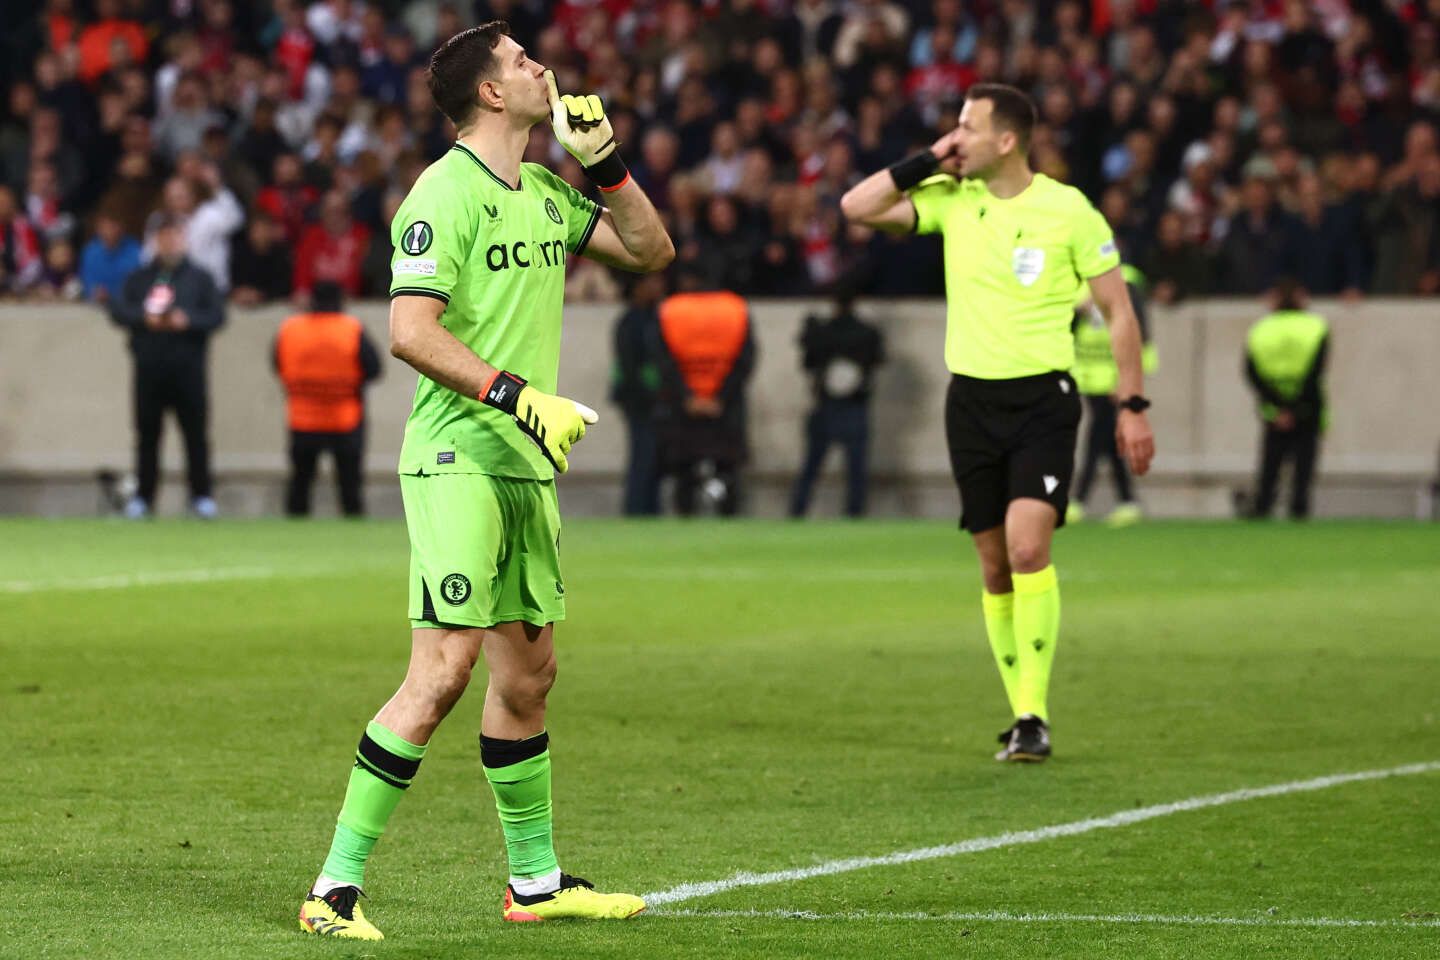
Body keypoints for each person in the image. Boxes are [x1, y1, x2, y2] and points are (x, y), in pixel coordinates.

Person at [298, 22, 673, 941]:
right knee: (443, 671)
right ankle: (332, 891)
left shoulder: (546, 191)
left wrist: (611, 168)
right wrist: (516, 395)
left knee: (530, 676)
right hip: (457, 457)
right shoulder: (441, 192)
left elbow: (651, 252)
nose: (544, 68)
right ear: (492, 95)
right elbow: (409, 331)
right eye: (522, 62)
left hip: (524, 465)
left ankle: (535, 886)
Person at [841, 83, 1155, 763]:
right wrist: (929, 158)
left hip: (1044, 399)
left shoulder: (1069, 212)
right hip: (972, 403)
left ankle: (1035, 712)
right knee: (992, 563)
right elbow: (856, 207)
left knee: (1025, 549)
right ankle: (1020, 714)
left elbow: (1119, 312)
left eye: (968, 127)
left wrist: (1131, 405)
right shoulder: (955, 201)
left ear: (1006, 140)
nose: (956, 136)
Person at [108, 214, 225, 519]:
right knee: (147, 435)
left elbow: (216, 315)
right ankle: (144, 497)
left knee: (195, 435)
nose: (170, 241)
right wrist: (144, 319)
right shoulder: (141, 277)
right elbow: (119, 309)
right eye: (164, 236)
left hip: (188, 368)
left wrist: (188, 320)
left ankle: (201, 495)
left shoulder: (200, 278)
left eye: (175, 235)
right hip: (149, 368)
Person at [273, 281, 383, 517]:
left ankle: (294, 528)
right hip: (345, 417)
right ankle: (354, 529)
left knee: (300, 482)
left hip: (302, 417)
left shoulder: (291, 328)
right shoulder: (351, 329)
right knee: (350, 485)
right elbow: (374, 368)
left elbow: (277, 362)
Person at [654, 274, 756, 517]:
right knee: (727, 470)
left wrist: (688, 398)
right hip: (725, 408)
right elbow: (746, 359)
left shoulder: (671, 309)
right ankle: (727, 519)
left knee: (684, 472)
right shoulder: (736, 308)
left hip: (684, 409)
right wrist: (720, 397)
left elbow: (663, 361)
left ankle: (686, 519)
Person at [1067, 264, 1157, 527]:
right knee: (1107, 436)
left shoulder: (1126, 280)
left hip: (1115, 373)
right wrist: (1077, 312)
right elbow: (1063, 327)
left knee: (1098, 436)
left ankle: (1080, 499)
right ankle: (1127, 502)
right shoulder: (1078, 282)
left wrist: (1127, 380)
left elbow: (1138, 326)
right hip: (1087, 373)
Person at [788, 288, 885, 518]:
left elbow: (808, 361)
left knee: (812, 465)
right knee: (856, 468)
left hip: (826, 404)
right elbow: (877, 360)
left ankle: (798, 511)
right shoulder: (866, 332)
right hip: (854, 405)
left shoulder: (823, 331)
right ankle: (855, 512)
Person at [1244, 278, 1328, 520]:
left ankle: (1263, 505)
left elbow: (1251, 372)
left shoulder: (1261, 328)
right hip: (1308, 405)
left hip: (1273, 406)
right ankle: (1299, 507)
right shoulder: (1316, 327)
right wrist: (1295, 406)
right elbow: (1316, 371)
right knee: (1304, 463)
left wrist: (1278, 406)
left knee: (1271, 460)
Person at [610, 272, 667, 516]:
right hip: (638, 400)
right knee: (643, 455)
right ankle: (637, 509)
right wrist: (647, 394)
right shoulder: (630, 321)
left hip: (657, 398)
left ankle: (650, 509)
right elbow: (629, 364)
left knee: (654, 458)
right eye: (651, 282)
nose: (658, 287)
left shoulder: (658, 317)